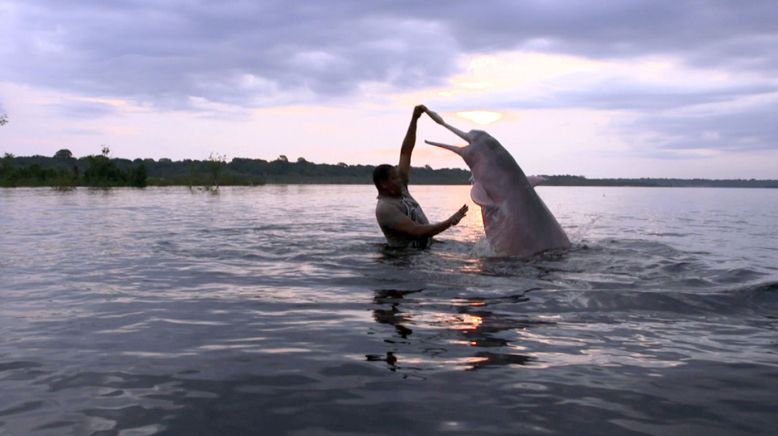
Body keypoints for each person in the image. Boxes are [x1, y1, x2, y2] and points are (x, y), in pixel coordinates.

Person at [373, 105, 468, 248]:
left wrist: (414, 119)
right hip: (406, 260)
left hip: (425, 251)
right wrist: (450, 221)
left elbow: (406, 152)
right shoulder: (385, 209)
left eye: (398, 177)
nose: (400, 180)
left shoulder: (401, 189)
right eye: (394, 178)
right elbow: (417, 231)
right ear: (383, 184)